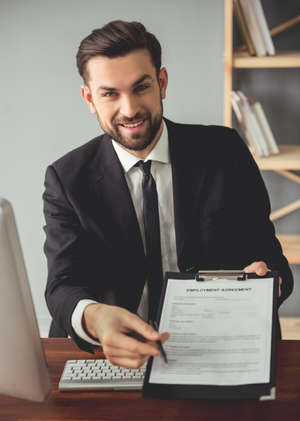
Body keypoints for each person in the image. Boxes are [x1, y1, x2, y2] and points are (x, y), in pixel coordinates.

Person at [43, 20, 293, 369]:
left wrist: (268, 284)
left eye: (141, 87)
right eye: (109, 93)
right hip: (110, 353)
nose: (129, 109)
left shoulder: (225, 152)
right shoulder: (66, 178)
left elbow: (272, 261)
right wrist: (96, 318)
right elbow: (63, 284)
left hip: (215, 350)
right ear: (89, 98)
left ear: (161, 83)